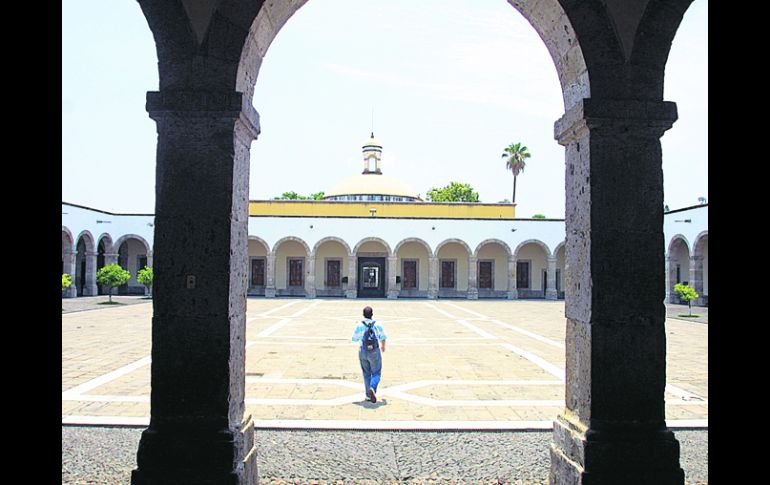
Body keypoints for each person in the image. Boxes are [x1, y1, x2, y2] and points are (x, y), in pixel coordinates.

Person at [351, 305, 387, 403]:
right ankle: (373, 387)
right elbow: (383, 337)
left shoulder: (359, 325)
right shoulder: (377, 324)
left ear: (363, 315)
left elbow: (354, 339)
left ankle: (367, 395)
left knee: (366, 373)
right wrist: (383, 346)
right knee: (376, 372)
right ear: (372, 314)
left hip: (363, 351)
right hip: (374, 351)